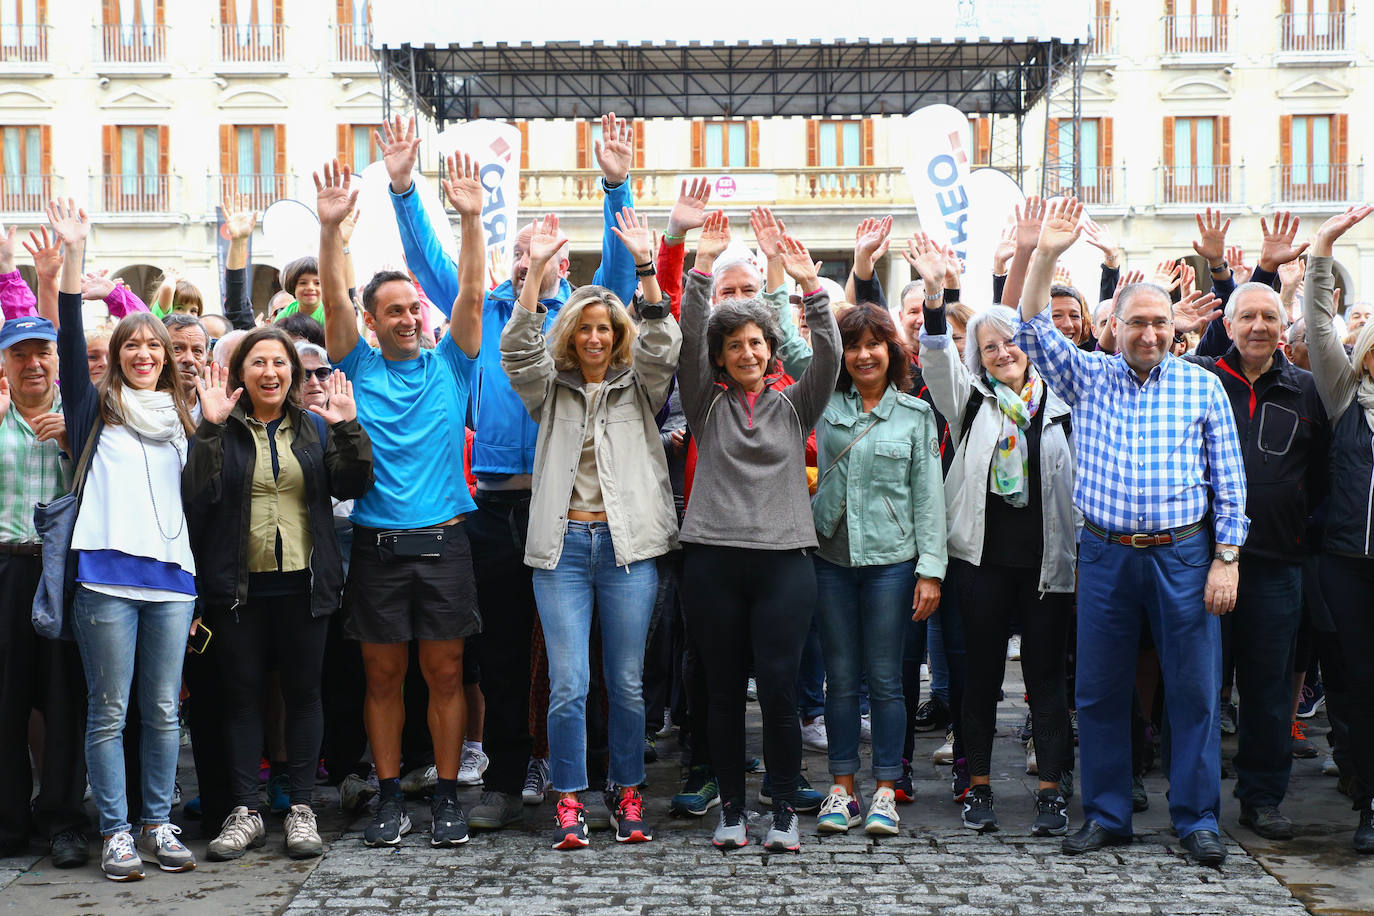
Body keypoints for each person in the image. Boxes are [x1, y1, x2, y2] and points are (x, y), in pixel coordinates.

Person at [380, 113, 639, 831]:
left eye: (546, 251)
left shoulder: (584, 321)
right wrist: (405, 188)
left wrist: (614, 185)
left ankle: (571, 776)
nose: (532, 259)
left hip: (573, 509)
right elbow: (431, 262)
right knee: (497, 647)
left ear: (563, 264)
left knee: (574, 656)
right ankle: (501, 776)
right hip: (493, 506)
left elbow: (620, 271)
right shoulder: (484, 309)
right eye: (522, 250)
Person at [1015, 199, 1247, 866]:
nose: (1148, 333)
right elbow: (1031, 326)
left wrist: (1226, 559)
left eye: (1159, 323)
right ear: (1112, 326)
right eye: (1136, 322)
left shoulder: (1201, 389)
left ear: (1177, 329)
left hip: (1184, 553)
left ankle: (1197, 818)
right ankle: (1109, 814)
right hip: (1107, 555)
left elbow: (1229, 484)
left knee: (1196, 690)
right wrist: (1046, 253)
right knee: (1101, 688)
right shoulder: (1087, 376)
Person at [317, 155, 483, 849]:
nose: (411, 318)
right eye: (396, 312)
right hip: (379, 548)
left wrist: (471, 219)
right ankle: (390, 798)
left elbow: (471, 296)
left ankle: (446, 797)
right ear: (373, 323)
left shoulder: (453, 361)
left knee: (444, 675)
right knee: (382, 679)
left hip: (445, 543)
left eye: (415, 307)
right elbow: (330, 299)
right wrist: (332, 234)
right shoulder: (355, 364)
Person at [501, 208, 680, 849]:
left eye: (606, 328)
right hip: (564, 550)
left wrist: (646, 270)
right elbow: (517, 349)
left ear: (617, 333)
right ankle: (571, 799)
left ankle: (628, 793)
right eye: (586, 329)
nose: (597, 338)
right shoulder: (549, 391)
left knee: (627, 682)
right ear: (572, 335)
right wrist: (537, 275)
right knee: (570, 682)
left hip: (629, 549)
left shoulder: (642, 387)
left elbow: (665, 343)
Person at [677, 211, 839, 852]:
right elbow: (689, 339)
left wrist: (810, 290)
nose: (748, 353)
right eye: (735, 345)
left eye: (757, 344)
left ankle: (781, 814)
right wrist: (697, 271)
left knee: (778, 692)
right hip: (713, 561)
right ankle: (732, 813)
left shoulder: (796, 402)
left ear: (771, 350)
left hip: (784, 564)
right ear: (721, 356)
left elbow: (827, 357)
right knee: (720, 695)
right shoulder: (704, 402)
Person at [49, 199, 200, 881]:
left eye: (153, 346)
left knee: (164, 712)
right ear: (116, 356)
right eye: (131, 345)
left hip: (172, 583)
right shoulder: (92, 409)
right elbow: (64, 334)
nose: (142, 353)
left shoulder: (187, 415)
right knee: (109, 712)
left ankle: (158, 823)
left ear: (166, 359)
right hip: (106, 581)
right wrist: (74, 261)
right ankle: (115, 831)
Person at [183, 327, 372, 861]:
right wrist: (210, 430)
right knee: (242, 699)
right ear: (240, 372)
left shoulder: (312, 428)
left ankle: (302, 809)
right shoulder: (221, 427)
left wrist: (349, 428)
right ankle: (245, 811)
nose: (271, 372)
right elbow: (198, 496)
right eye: (259, 363)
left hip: (304, 585)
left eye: (280, 363)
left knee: (304, 695)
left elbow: (353, 484)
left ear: (292, 372)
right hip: (238, 587)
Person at [916, 240, 1078, 837]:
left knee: (1046, 683)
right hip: (981, 564)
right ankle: (978, 787)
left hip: (1047, 568)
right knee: (979, 679)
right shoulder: (969, 401)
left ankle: (1050, 792)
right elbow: (936, 359)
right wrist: (936, 297)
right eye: (989, 347)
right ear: (977, 358)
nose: (1003, 352)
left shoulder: (1064, 403)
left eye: (1010, 341)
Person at [810, 303, 945, 837]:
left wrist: (930, 570)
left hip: (894, 564)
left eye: (875, 344)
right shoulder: (822, 403)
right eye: (853, 345)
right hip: (830, 561)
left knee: (888, 682)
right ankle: (842, 789)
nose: (864, 355)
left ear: (892, 350)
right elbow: (802, 353)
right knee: (839, 681)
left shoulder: (915, 416)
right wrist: (792, 283)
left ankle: (887, 789)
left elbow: (928, 499)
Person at [0, 228, 89, 869]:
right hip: (7, 569)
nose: (33, 364)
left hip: (63, 571)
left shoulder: (82, 418)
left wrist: (69, 445)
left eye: (42, 354)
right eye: (20, 355)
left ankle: (63, 820)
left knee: (64, 702)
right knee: (6, 701)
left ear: (57, 361)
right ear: (4, 366)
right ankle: (9, 822)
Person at [1300, 204, 1374, 853]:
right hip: (1346, 565)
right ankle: (1367, 801)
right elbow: (1318, 326)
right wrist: (1321, 248)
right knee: (1353, 688)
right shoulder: (1346, 396)